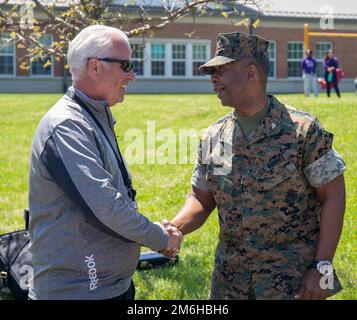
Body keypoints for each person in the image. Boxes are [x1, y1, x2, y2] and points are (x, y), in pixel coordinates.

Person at [165, 32, 346, 300]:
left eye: (221, 70)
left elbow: (333, 196)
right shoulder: (212, 137)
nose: (213, 78)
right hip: (229, 283)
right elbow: (201, 198)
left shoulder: (303, 132)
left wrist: (323, 268)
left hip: (291, 283)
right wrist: (173, 229)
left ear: (250, 72)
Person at [28, 25, 182, 300]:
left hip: (109, 288)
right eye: (126, 65)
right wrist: (160, 238)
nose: (132, 76)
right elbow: (105, 207)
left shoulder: (93, 114)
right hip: (78, 292)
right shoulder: (67, 126)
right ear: (95, 66)